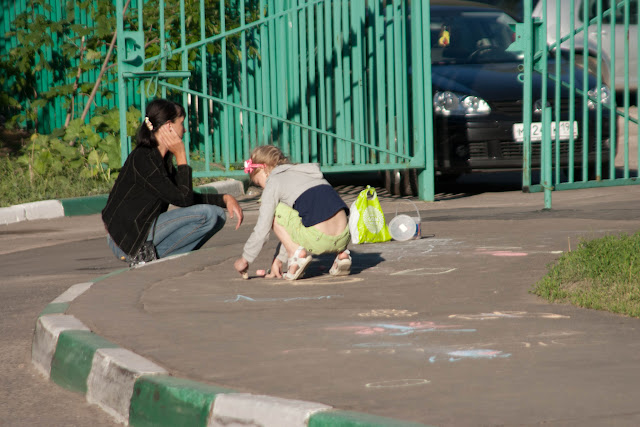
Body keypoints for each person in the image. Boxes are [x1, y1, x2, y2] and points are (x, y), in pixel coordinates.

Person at [102, 98, 243, 265]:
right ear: (169, 126)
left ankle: (150, 260)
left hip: (143, 234)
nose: (184, 130)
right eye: (181, 123)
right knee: (208, 214)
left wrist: (224, 199)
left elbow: (183, 195)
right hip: (128, 239)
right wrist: (181, 156)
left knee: (218, 215)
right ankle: (143, 258)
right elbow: (184, 200)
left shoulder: (161, 159)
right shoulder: (144, 158)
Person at [233, 145, 351, 280]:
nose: (262, 187)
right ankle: (342, 256)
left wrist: (245, 259)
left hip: (318, 239)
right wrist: (278, 260)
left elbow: (262, 228)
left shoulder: (274, 181)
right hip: (344, 236)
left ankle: (296, 255)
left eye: (259, 182)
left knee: (273, 210)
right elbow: (294, 225)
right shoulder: (305, 173)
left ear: (262, 168)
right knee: (305, 210)